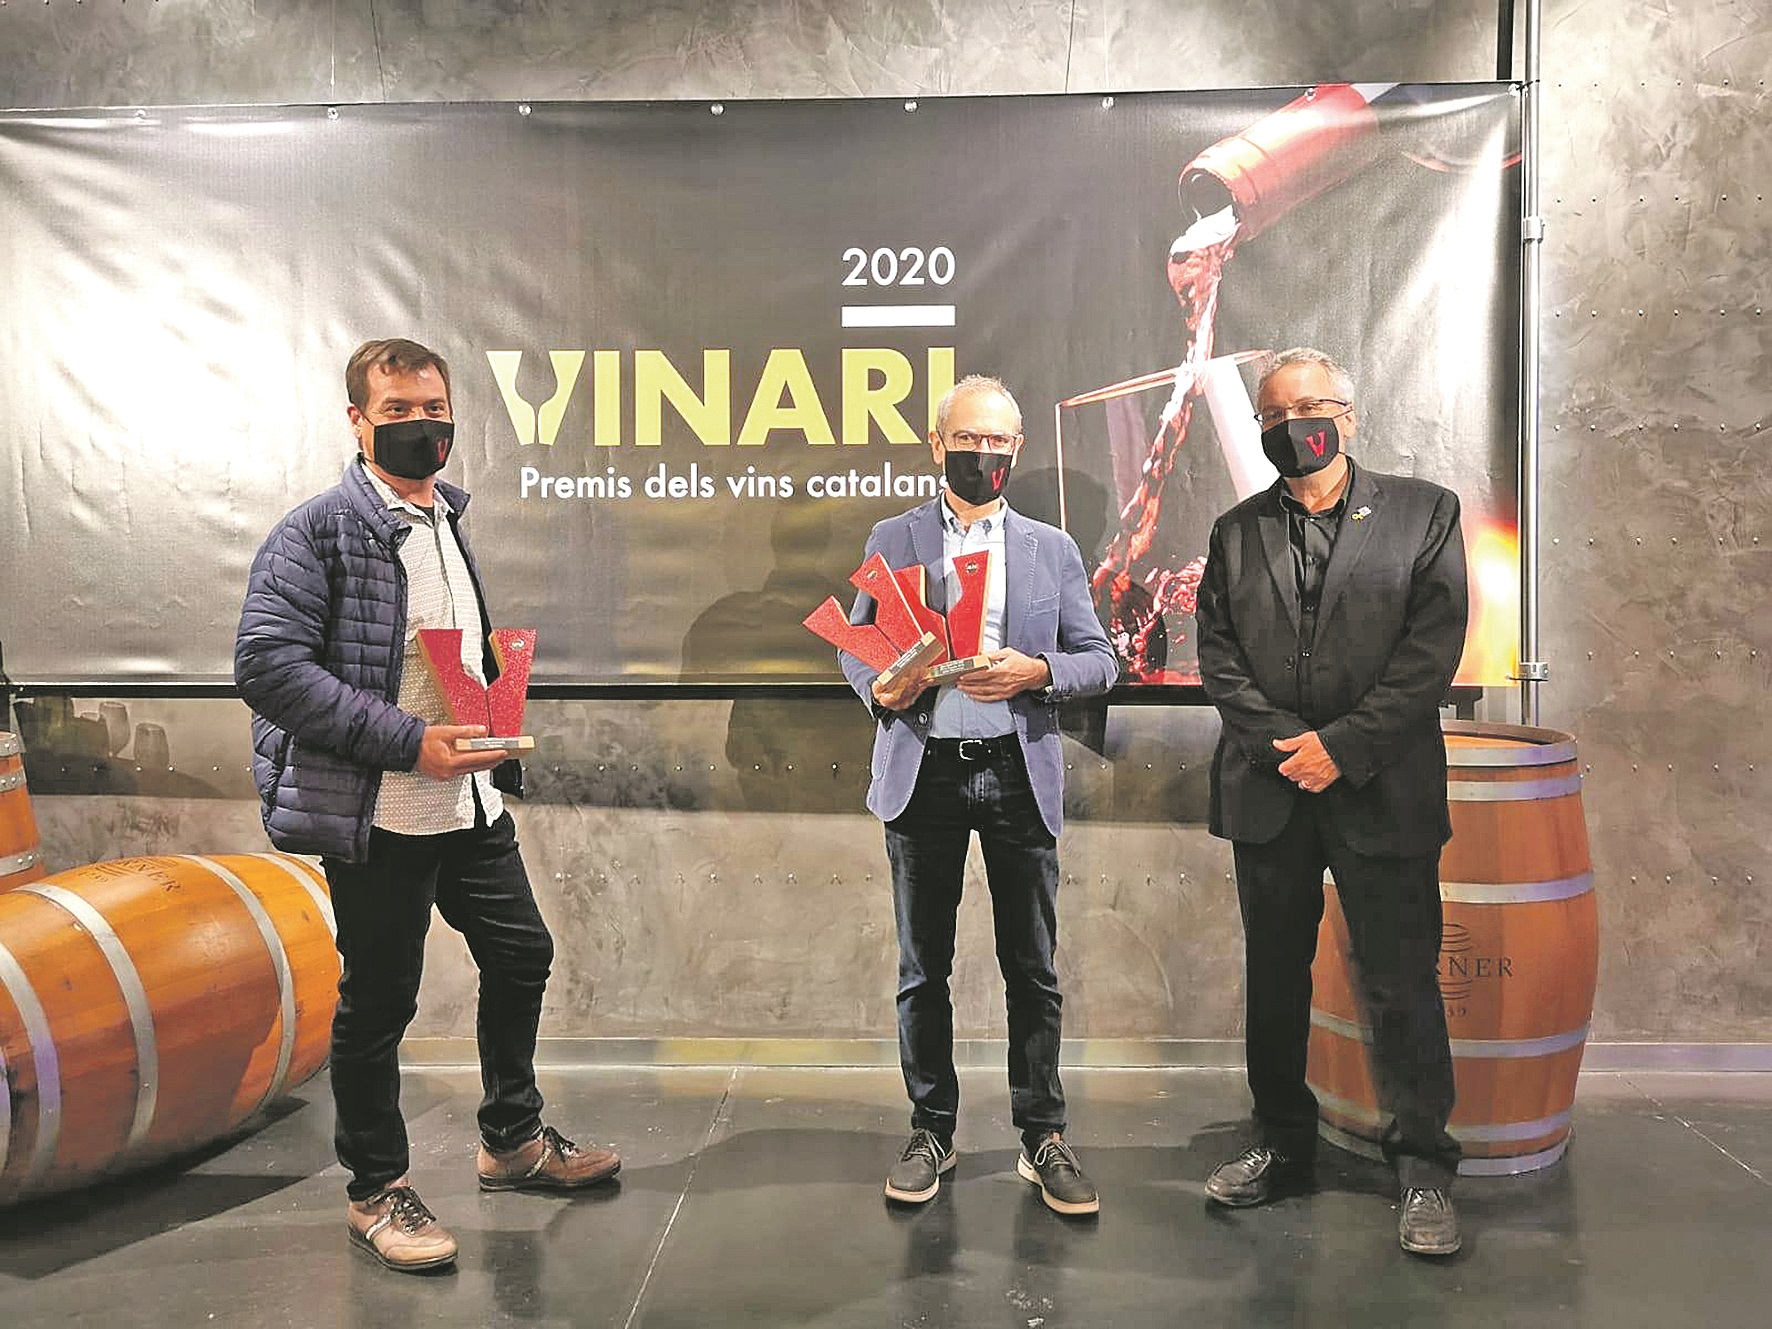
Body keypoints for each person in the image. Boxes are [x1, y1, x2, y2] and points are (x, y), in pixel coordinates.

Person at [236, 338, 620, 1274]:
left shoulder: (447, 517)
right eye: (398, 410)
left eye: (434, 408)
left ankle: (512, 1139)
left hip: (468, 803)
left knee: (522, 953)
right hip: (378, 813)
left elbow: (436, 655)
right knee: (380, 1002)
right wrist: (410, 741)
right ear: (357, 421)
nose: (422, 425)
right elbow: (269, 667)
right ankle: (375, 1190)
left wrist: (488, 712)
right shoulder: (316, 531)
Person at [1192, 347, 1470, 1257]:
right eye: (1274, 414)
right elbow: (1219, 657)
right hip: (1270, 791)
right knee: (1275, 979)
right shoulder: (1235, 532)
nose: (1293, 425)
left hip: (1382, 788)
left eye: (1310, 407)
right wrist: (1290, 748)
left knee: (1401, 980)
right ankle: (1281, 1142)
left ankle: (1423, 1164)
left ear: (1348, 416)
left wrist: (1340, 749)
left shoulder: (1425, 513)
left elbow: (1430, 653)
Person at [838, 374, 1120, 1216]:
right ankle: (932, 1128)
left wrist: (1037, 670)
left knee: (1032, 966)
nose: (982, 453)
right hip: (923, 771)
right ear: (937, 444)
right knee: (922, 968)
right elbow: (857, 645)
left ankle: (1043, 1133)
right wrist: (879, 684)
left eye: (997, 441)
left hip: (1017, 772)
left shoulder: (1051, 548)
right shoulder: (893, 537)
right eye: (967, 439)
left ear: (1017, 450)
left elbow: (1100, 660)